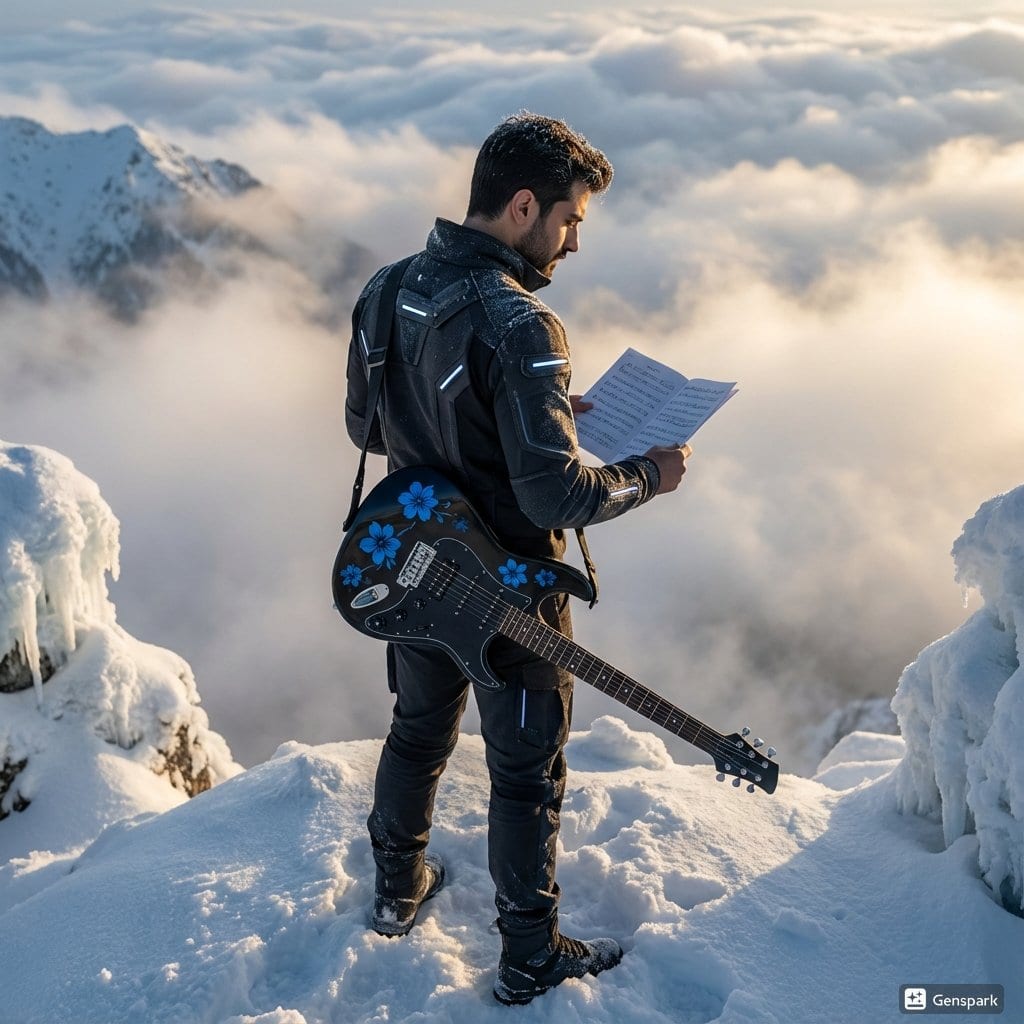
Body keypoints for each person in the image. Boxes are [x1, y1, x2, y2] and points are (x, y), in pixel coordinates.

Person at [344, 112, 690, 1005]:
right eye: (570, 219)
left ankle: (396, 888)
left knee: (418, 731)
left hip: (419, 562)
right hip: (511, 592)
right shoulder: (522, 321)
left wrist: (525, 415)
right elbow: (557, 499)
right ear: (524, 205)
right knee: (525, 773)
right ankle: (530, 954)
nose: (574, 242)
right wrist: (648, 475)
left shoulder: (386, 288)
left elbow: (362, 426)